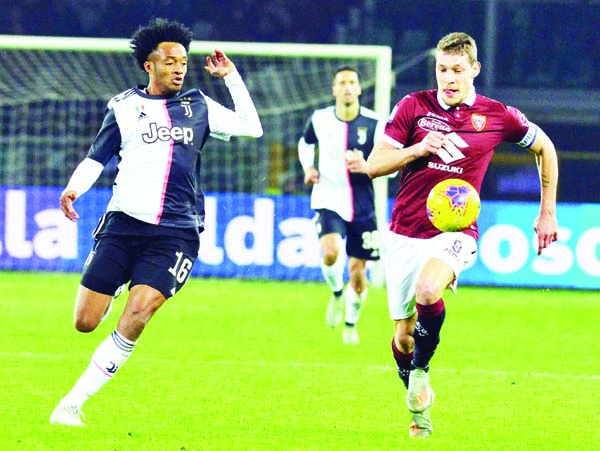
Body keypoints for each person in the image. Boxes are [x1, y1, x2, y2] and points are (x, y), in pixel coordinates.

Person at [50, 18, 263, 426]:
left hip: (176, 232)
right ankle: (110, 288)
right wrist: (74, 188)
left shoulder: (199, 105)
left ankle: (71, 404)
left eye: (183, 61)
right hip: (124, 224)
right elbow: (98, 156)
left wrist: (232, 77)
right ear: (149, 66)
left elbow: (251, 128)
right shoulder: (124, 106)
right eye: (169, 61)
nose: (179, 68)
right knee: (85, 322)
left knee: (139, 312)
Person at [366, 32, 558, 437]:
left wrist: (547, 212)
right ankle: (419, 399)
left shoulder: (497, 116)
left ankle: (420, 372)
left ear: (474, 70)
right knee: (402, 337)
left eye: (457, 70)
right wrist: (417, 150)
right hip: (404, 232)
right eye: (442, 70)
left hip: (454, 231)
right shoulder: (412, 107)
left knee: (427, 291)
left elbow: (546, 148)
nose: (448, 79)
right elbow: (374, 165)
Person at [298, 65, 387, 345]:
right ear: (334, 89)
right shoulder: (320, 119)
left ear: (360, 88)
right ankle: (337, 294)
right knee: (331, 251)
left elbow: (392, 164)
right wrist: (309, 166)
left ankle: (350, 324)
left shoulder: (376, 123)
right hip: (328, 197)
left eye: (352, 82)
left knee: (358, 275)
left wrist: (368, 165)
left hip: (363, 204)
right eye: (342, 83)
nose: (348, 87)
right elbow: (305, 142)